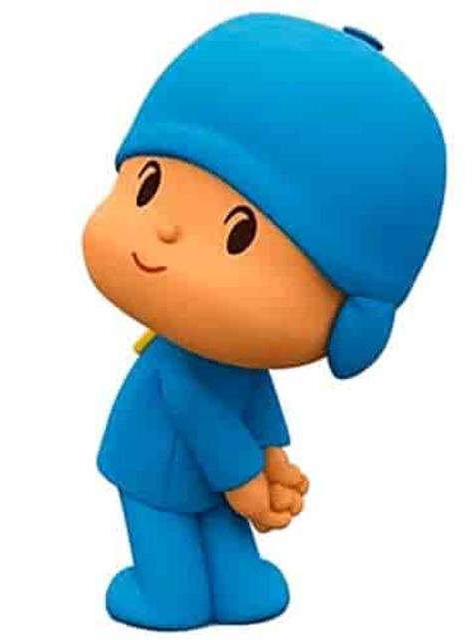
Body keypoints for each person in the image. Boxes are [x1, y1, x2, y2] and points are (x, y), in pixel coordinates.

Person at [82, 13, 446, 630]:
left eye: (239, 235)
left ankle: (225, 584)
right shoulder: (180, 365)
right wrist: (248, 482)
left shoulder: (227, 357)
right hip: (156, 462)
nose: (163, 231)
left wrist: (270, 457)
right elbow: (200, 413)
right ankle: (177, 595)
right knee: (174, 522)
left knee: (210, 520)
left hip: (192, 467)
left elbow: (248, 395)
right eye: (148, 187)